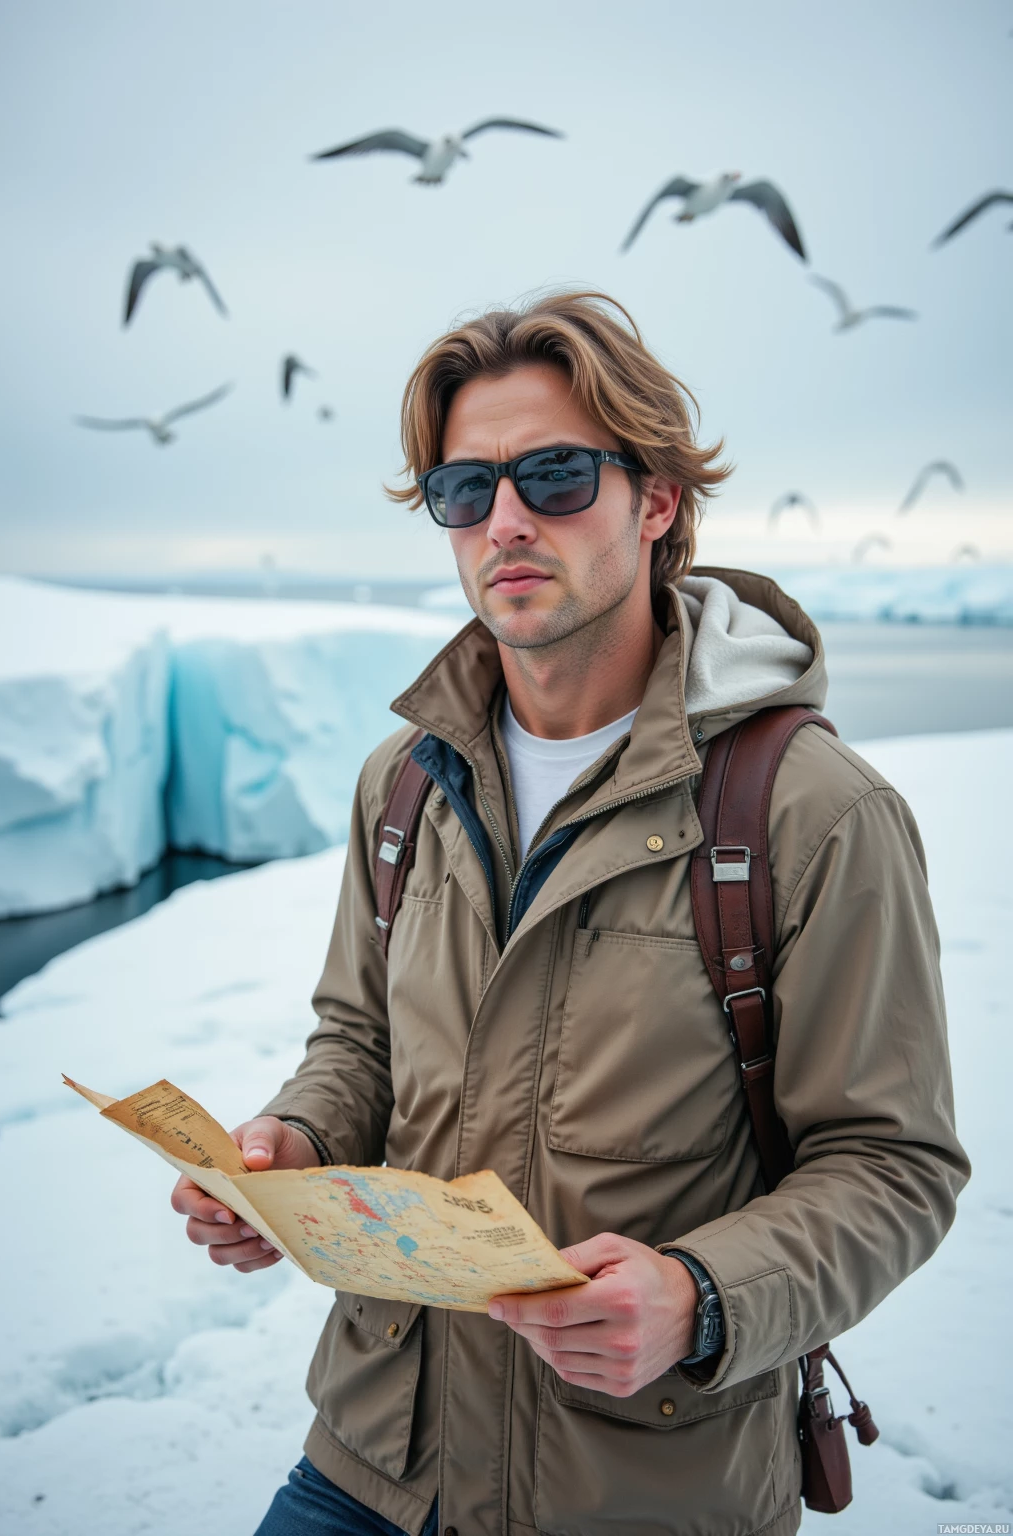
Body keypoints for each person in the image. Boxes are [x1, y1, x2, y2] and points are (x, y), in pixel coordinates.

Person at [171, 290, 969, 1536]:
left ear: (655, 502)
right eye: (461, 491)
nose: (503, 524)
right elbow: (359, 1044)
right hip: (377, 1461)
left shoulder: (808, 811)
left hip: (637, 1489)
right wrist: (294, 1148)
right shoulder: (404, 786)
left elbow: (893, 1165)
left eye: (552, 476)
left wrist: (700, 1296)